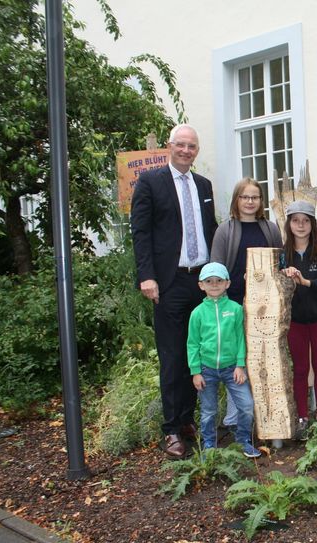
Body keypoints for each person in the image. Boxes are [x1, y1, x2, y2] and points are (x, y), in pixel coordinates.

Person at [131, 124, 218, 459]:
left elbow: (210, 231)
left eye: (192, 146)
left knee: (198, 353)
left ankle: (187, 420)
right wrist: (147, 276)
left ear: (197, 151)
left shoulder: (204, 186)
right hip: (168, 282)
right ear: (170, 146)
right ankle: (171, 430)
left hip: (201, 282)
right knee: (172, 357)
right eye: (181, 145)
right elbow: (140, 232)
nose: (186, 151)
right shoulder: (151, 182)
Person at [210, 178, 281, 430]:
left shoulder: (270, 229)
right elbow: (215, 269)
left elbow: (278, 266)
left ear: (261, 201)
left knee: (264, 360)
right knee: (236, 361)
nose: (250, 202)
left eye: (255, 197)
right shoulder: (225, 230)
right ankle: (234, 419)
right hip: (234, 306)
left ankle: (265, 417)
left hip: (265, 308)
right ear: (236, 200)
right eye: (245, 197)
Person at [187, 263, 261, 458]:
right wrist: (195, 371)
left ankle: (243, 440)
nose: (214, 285)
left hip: (232, 369)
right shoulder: (197, 314)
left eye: (219, 280)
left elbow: (240, 339)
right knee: (208, 412)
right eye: (209, 281)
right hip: (206, 370)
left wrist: (240, 365)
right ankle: (209, 446)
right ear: (201, 285)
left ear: (227, 283)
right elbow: (192, 344)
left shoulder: (236, 309)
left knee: (246, 406)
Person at [280, 200, 317, 440]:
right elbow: (273, 287)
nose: (300, 225)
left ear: (312, 224)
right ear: (289, 224)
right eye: (295, 220)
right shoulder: (282, 254)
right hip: (295, 321)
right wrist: (283, 277)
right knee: (301, 369)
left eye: (305, 221)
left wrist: (306, 282)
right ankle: (303, 416)